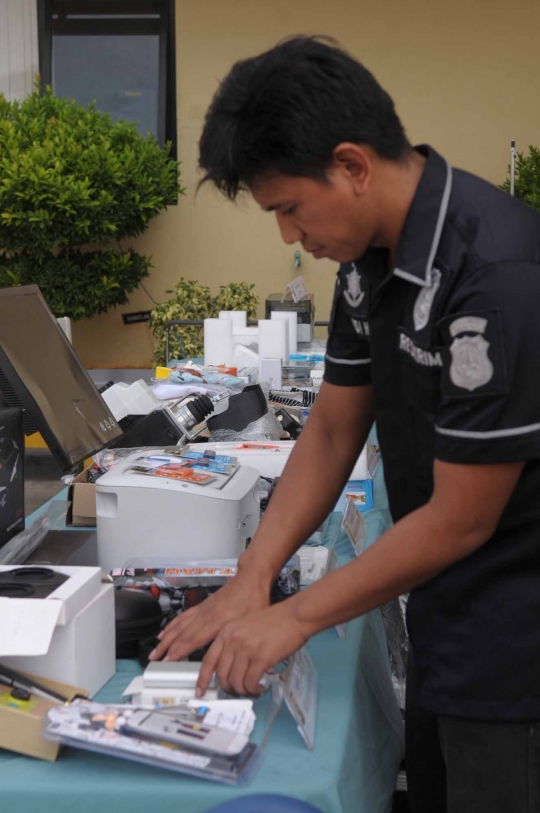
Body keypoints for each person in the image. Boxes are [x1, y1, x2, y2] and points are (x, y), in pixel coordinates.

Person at [149, 36, 540, 812]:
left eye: (290, 208)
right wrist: (253, 576)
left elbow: (463, 519)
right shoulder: (369, 260)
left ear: (353, 165)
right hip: (441, 612)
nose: (290, 237)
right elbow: (332, 429)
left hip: (515, 644)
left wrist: (291, 616)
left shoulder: (492, 274)